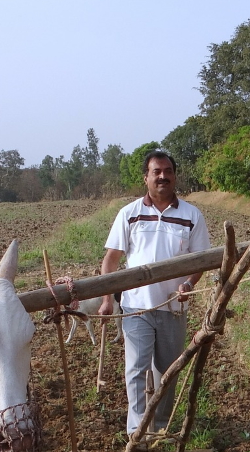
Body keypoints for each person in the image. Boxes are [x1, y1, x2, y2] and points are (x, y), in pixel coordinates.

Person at [99, 150, 210, 436]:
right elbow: (112, 259)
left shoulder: (190, 215)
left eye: (168, 171)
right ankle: (137, 430)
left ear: (174, 176)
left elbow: (201, 261)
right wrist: (107, 298)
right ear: (146, 178)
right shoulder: (130, 213)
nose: (162, 176)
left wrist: (188, 284)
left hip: (173, 308)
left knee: (168, 370)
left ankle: (160, 428)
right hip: (136, 307)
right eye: (156, 172)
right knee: (136, 369)